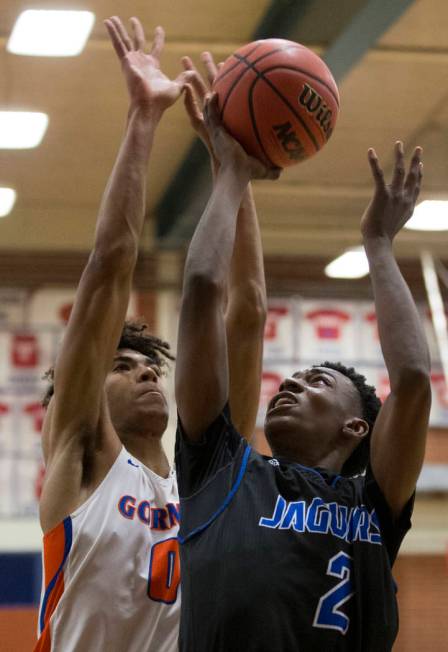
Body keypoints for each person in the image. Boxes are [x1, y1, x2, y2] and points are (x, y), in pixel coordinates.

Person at [35, 17, 266, 652]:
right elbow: (110, 264)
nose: (144, 371)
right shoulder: (84, 460)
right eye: (120, 365)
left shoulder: (210, 477)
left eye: (148, 366)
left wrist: (235, 170)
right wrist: (143, 118)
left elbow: (245, 316)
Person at [175, 94, 431, 652]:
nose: (288, 382)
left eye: (317, 382)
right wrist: (230, 176)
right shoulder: (222, 472)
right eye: (294, 378)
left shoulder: (375, 502)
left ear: (356, 428)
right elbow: (202, 291)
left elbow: (411, 378)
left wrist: (379, 245)